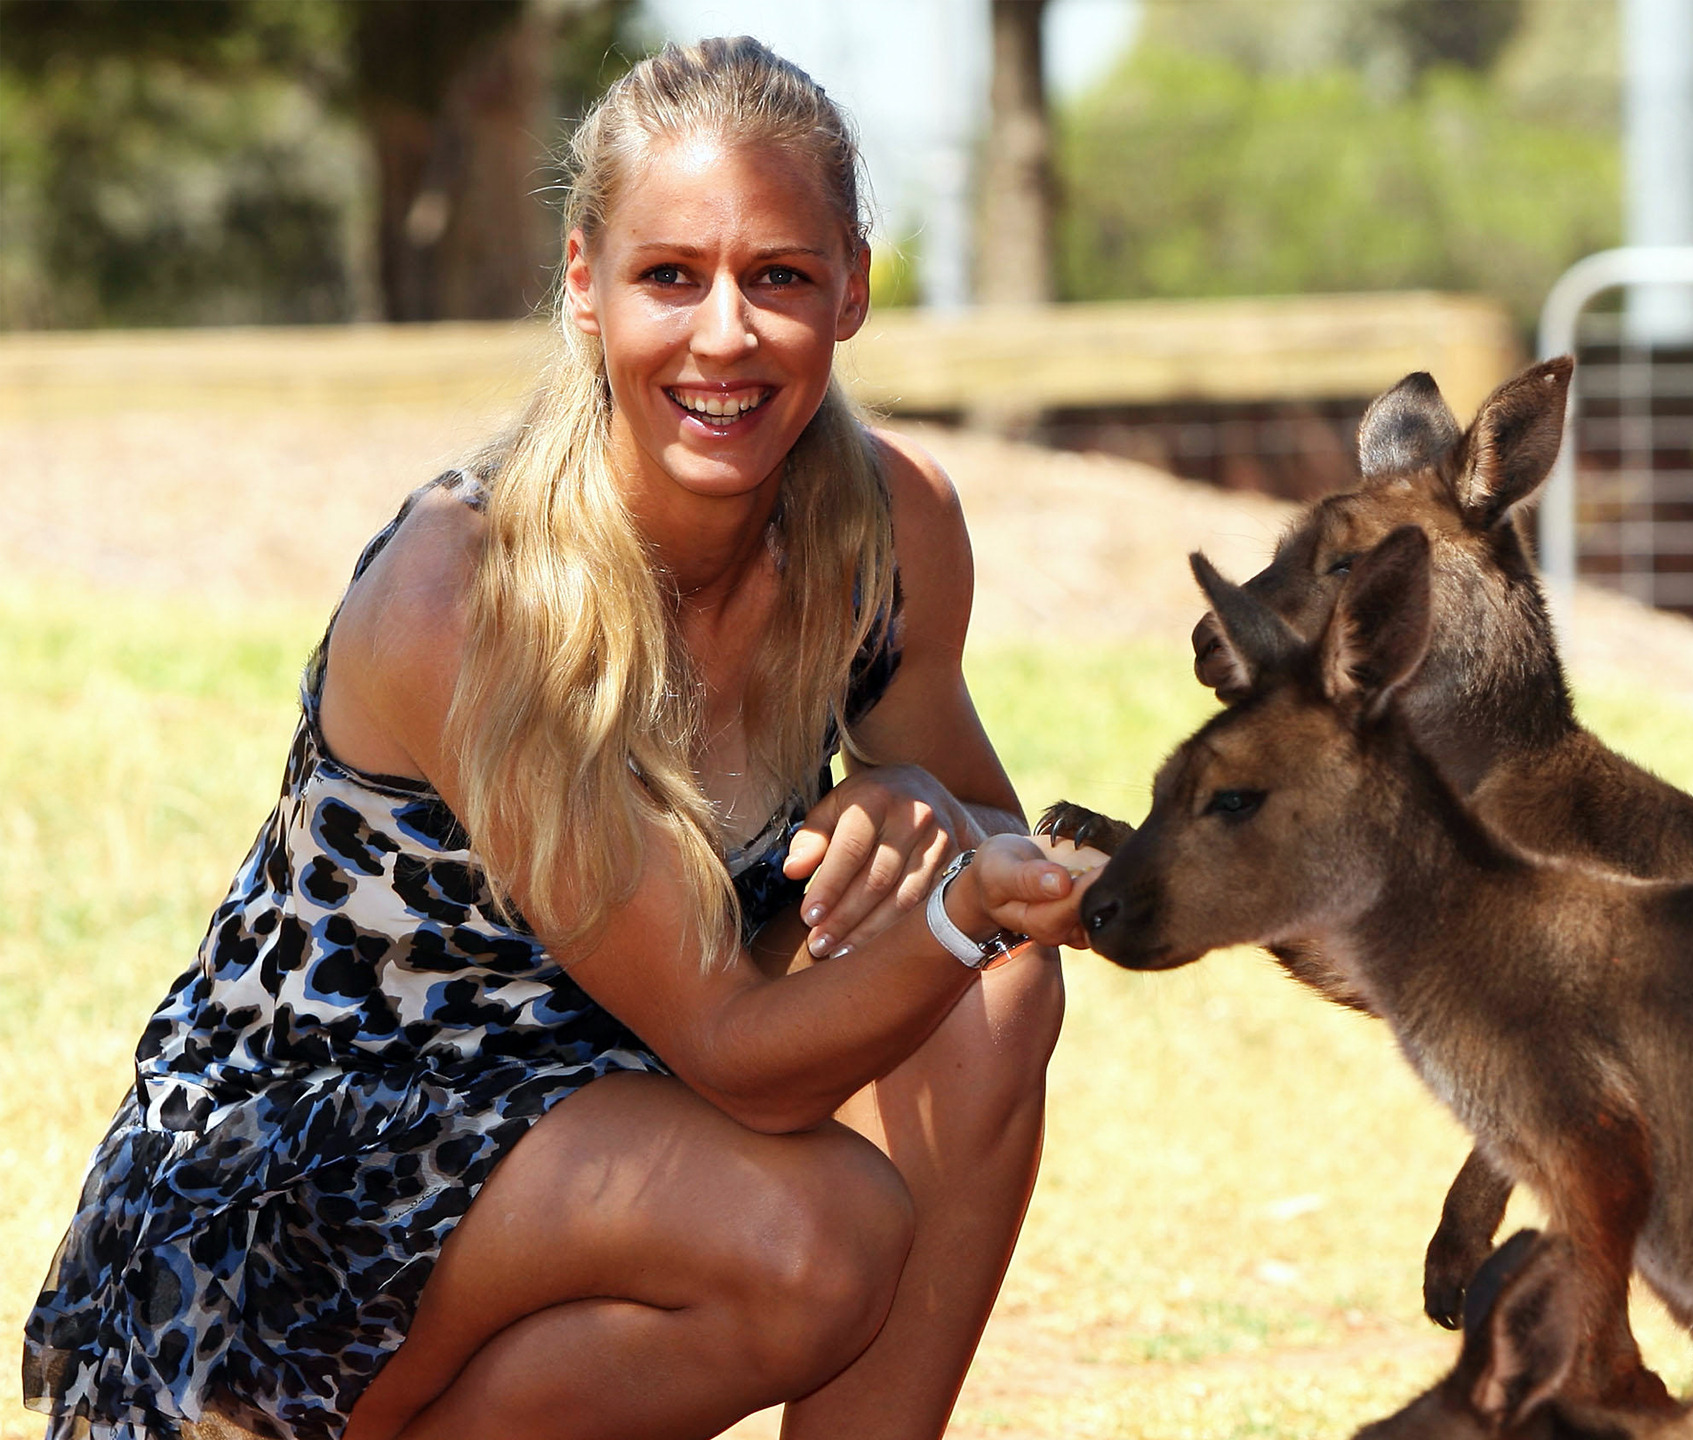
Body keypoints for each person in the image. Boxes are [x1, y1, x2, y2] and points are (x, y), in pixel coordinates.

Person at [22, 36, 1084, 1440]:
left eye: (777, 276)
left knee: (995, 1003)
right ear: (584, 286)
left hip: (600, 1112)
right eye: (670, 277)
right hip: (293, 1202)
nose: (725, 334)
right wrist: (948, 907)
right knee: (816, 1232)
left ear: (852, 286)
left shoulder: (891, 534)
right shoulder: (471, 587)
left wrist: (913, 806)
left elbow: (1005, 866)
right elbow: (741, 1048)